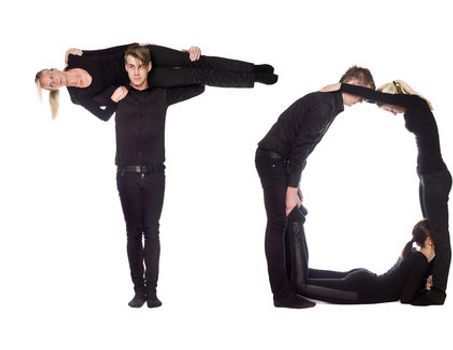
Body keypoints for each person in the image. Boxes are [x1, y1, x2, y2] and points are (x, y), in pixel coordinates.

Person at [321, 80, 453, 303]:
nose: (392, 113)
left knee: (440, 235)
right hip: (427, 177)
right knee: (429, 230)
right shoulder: (412, 107)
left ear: (394, 97)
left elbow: (380, 97)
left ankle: (438, 292)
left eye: (390, 108)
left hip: (435, 178)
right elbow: (384, 100)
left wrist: (341, 87)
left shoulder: (415, 103)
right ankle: (427, 282)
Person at [255, 66, 375, 308]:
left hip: (280, 162)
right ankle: (281, 294)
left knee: (291, 217)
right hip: (272, 159)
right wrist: (290, 188)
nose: (363, 100)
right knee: (277, 223)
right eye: (364, 92)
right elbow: (300, 149)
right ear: (352, 83)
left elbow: (302, 149)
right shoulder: (324, 105)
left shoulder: (329, 103)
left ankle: (294, 282)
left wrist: (294, 185)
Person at [98, 46, 206, 308]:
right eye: (131, 66)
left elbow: (199, 85)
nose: (136, 72)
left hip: (156, 174)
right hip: (126, 176)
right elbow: (80, 95)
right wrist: (74, 56)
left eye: (140, 66)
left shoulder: (162, 94)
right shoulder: (118, 93)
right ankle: (138, 290)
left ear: (148, 68)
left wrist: (187, 58)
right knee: (133, 233)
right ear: (126, 68)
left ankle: (152, 290)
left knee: (152, 232)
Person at [35, 43, 275, 120]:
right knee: (196, 75)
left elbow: (105, 51)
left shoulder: (76, 56)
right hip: (140, 77)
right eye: (50, 85)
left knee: (195, 59)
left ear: (54, 69)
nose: (54, 81)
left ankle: (252, 68)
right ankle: (252, 79)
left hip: (140, 53)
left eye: (50, 76)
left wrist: (137, 44)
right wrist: (113, 99)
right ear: (52, 90)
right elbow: (105, 115)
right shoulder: (79, 98)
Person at [286, 208, 441, 305]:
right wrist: (427, 294)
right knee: (299, 285)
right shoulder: (419, 260)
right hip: (361, 289)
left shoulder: (413, 252)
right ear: (429, 241)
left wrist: (423, 284)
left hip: (363, 280)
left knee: (304, 274)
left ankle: (295, 224)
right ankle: (295, 220)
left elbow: (403, 284)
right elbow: (406, 298)